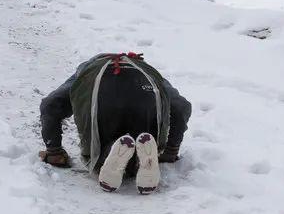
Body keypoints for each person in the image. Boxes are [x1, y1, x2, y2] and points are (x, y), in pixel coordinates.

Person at [38, 52, 192, 194]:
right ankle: (140, 158)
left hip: (101, 92)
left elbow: (50, 105)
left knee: (98, 146)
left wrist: (54, 151)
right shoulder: (148, 72)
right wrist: (171, 150)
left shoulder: (88, 72)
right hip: (144, 95)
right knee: (144, 131)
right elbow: (181, 107)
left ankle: (107, 156)